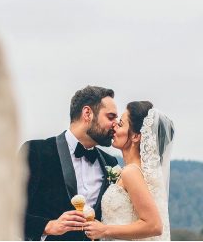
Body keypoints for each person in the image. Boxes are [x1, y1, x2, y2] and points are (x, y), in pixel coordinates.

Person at [21, 86, 120, 240]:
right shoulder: (36, 152)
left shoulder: (110, 163)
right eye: (111, 117)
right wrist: (48, 226)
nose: (115, 124)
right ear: (87, 113)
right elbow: (7, 210)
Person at [83, 101, 174, 241]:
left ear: (136, 136)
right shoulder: (136, 171)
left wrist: (104, 230)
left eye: (120, 124)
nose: (114, 125)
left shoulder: (131, 172)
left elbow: (154, 225)